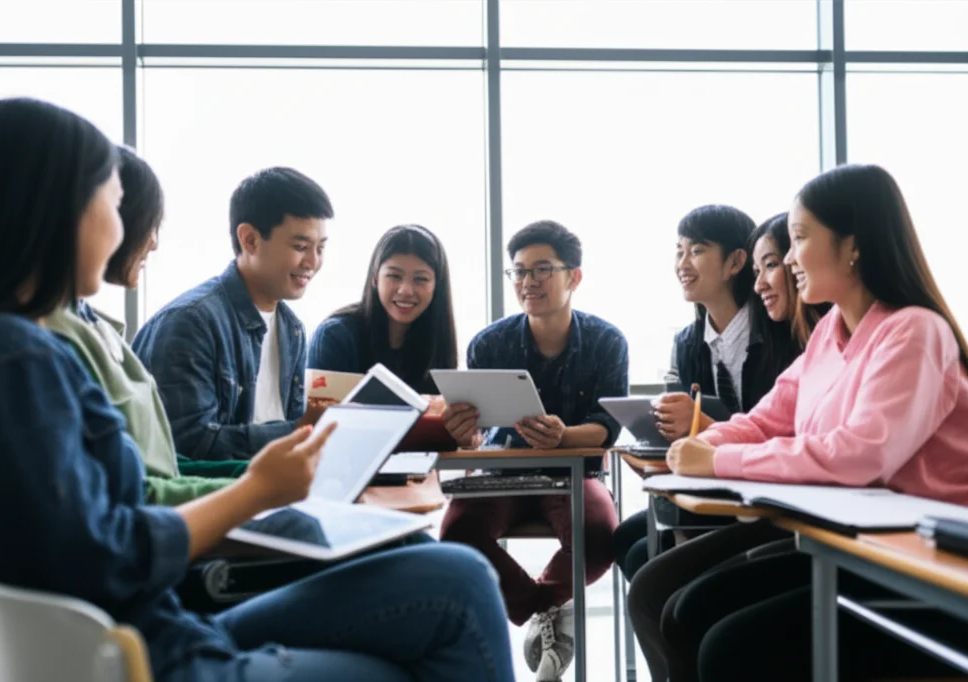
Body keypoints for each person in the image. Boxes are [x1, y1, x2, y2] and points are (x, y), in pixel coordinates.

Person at [0, 96, 516, 682]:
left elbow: (120, 501)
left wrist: (276, 476)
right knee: (451, 590)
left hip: (164, 621)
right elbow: (105, 549)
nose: (130, 231)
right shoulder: (22, 358)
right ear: (53, 210)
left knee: (446, 576)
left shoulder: (28, 350)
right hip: (159, 640)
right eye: (112, 203)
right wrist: (258, 487)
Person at [667, 164, 968, 681]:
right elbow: (769, 418)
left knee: (728, 647)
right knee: (686, 610)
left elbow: (859, 455)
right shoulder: (830, 329)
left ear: (853, 245)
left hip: (947, 569)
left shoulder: (915, 331)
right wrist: (707, 439)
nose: (787, 257)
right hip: (867, 548)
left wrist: (716, 458)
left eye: (800, 238)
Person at [622, 211, 831, 682]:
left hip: (809, 518)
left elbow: (818, 444)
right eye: (679, 251)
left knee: (674, 598)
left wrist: (711, 444)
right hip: (773, 501)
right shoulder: (824, 339)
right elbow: (764, 419)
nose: (767, 281)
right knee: (645, 564)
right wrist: (701, 441)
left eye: (695, 250)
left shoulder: (796, 332)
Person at [439, 220, 627, 681]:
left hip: (573, 474)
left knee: (601, 537)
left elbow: (608, 429)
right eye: (519, 272)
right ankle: (546, 612)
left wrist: (564, 437)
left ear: (574, 277)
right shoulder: (489, 343)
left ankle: (542, 611)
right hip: (502, 473)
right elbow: (477, 434)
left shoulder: (607, 342)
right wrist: (463, 432)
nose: (528, 282)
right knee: (458, 534)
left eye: (542, 269)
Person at [43, 145, 234, 505]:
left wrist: (252, 477)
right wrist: (258, 491)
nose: (155, 243)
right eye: (149, 222)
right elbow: (131, 495)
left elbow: (158, 467)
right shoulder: (47, 339)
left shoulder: (91, 322)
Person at [133, 166, 333, 461]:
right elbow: (188, 446)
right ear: (250, 239)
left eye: (321, 248)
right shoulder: (190, 322)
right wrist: (299, 430)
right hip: (221, 499)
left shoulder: (292, 328)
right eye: (300, 246)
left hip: (277, 490)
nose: (313, 262)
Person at [308, 224, 457, 394]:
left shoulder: (437, 341)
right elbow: (322, 416)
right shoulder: (336, 336)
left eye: (421, 279)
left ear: (437, 286)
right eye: (394, 276)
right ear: (374, 278)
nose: (406, 290)